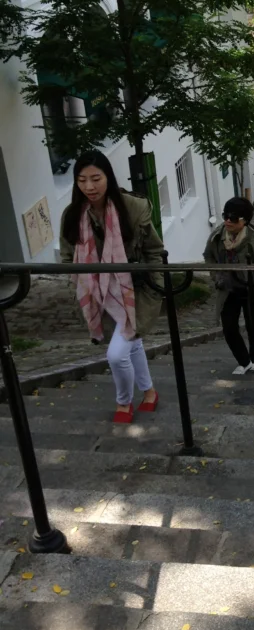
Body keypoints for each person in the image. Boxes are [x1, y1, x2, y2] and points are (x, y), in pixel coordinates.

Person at [59, 150, 163, 424]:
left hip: (136, 291)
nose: (89, 187)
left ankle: (123, 403)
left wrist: (157, 286)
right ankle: (150, 393)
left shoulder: (132, 207)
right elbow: (67, 256)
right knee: (133, 345)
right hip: (99, 295)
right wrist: (82, 285)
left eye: (96, 178)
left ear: (109, 177)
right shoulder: (72, 215)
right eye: (82, 180)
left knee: (116, 355)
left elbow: (155, 250)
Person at [204, 196, 254, 374]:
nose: (227, 221)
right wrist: (216, 276)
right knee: (228, 327)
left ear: (244, 221)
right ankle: (244, 361)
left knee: (253, 325)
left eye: (233, 218)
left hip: (251, 288)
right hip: (228, 288)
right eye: (225, 215)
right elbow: (208, 256)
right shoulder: (217, 236)